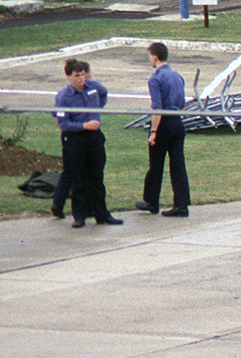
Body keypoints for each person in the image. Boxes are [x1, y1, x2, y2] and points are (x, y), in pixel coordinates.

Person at [53, 58, 121, 228]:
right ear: (69, 77)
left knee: (97, 177)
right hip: (76, 139)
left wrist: (97, 111)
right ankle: (80, 215)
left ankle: (102, 214)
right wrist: (84, 125)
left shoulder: (93, 88)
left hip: (94, 138)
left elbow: (104, 93)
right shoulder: (63, 97)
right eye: (77, 76)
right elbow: (63, 124)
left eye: (83, 75)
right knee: (78, 178)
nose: (81, 79)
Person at [136, 42, 190, 217]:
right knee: (178, 166)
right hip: (177, 123)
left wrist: (153, 132)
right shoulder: (177, 76)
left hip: (164, 124)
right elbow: (182, 104)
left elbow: (157, 108)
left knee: (156, 165)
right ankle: (181, 204)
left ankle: (151, 201)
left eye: (150, 56)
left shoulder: (155, 79)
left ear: (155, 57)